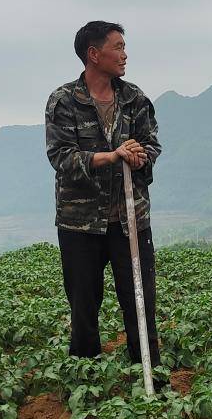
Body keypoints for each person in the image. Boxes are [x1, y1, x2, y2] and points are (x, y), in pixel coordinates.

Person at [44, 21, 163, 375]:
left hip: (130, 219)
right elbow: (61, 157)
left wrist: (140, 156)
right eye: (118, 47)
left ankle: (148, 371)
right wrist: (110, 156)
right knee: (84, 303)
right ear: (93, 54)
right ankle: (86, 375)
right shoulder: (64, 101)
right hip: (80, 224)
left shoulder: (135, 99)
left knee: (140, 300)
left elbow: (152, 144)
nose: (124, 55)